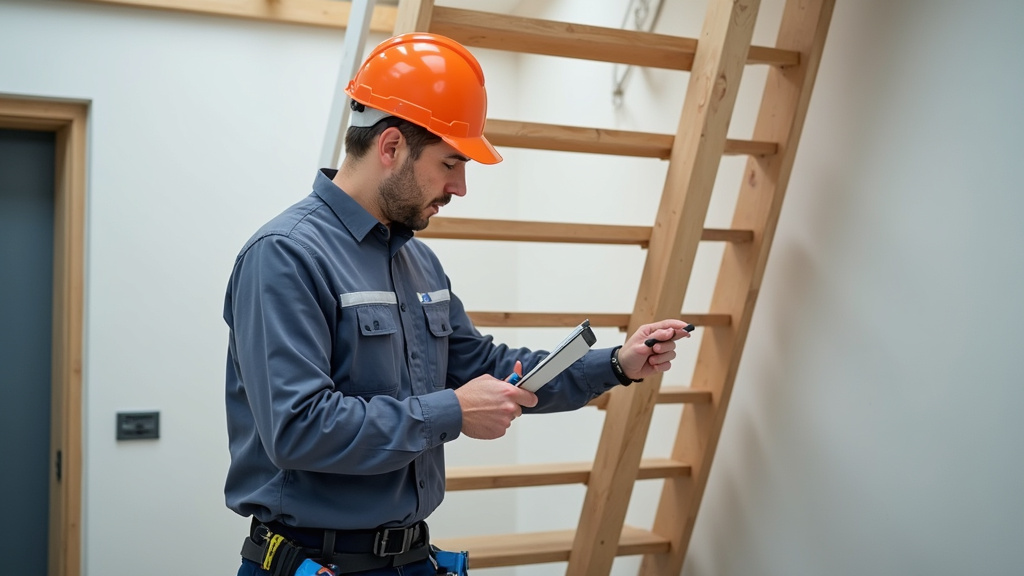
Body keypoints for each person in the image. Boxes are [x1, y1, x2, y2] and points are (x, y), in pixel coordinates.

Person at [223, 32, 692, 576]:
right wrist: (454, 411)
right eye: (450, 163)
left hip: (411, 558)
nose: (461, 187)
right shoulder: (284, 255)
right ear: (391, 147)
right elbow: (299, 427)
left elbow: (485, 366)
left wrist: (615, 364)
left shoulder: (417, 261)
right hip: (316, 561)